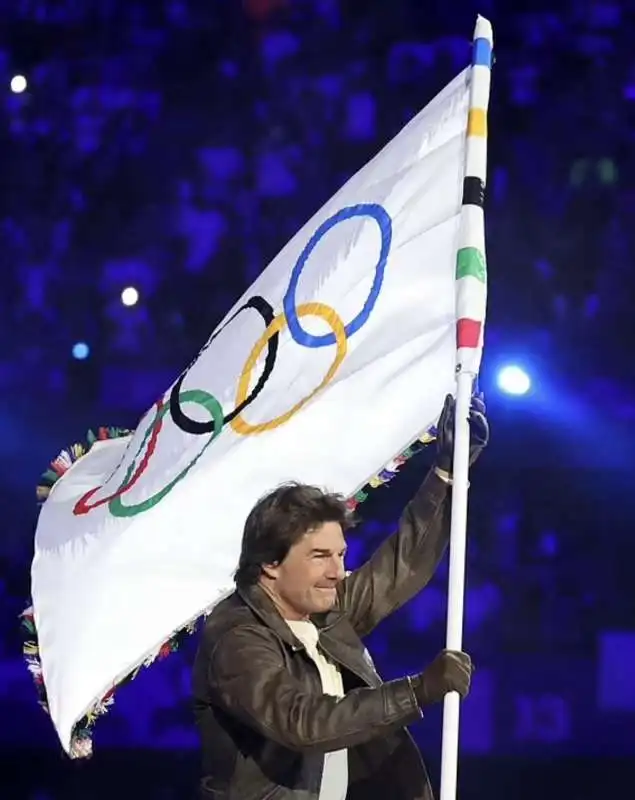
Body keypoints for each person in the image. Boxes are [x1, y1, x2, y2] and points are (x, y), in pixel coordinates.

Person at [192, 394, 489, 800]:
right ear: (270, 564)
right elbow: (302, 722)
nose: (336, 571)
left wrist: (447, 474)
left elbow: (400, 566)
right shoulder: (237, 636)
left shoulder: (324, 610)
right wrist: (417, 690)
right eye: (319, 557)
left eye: (341, 555)